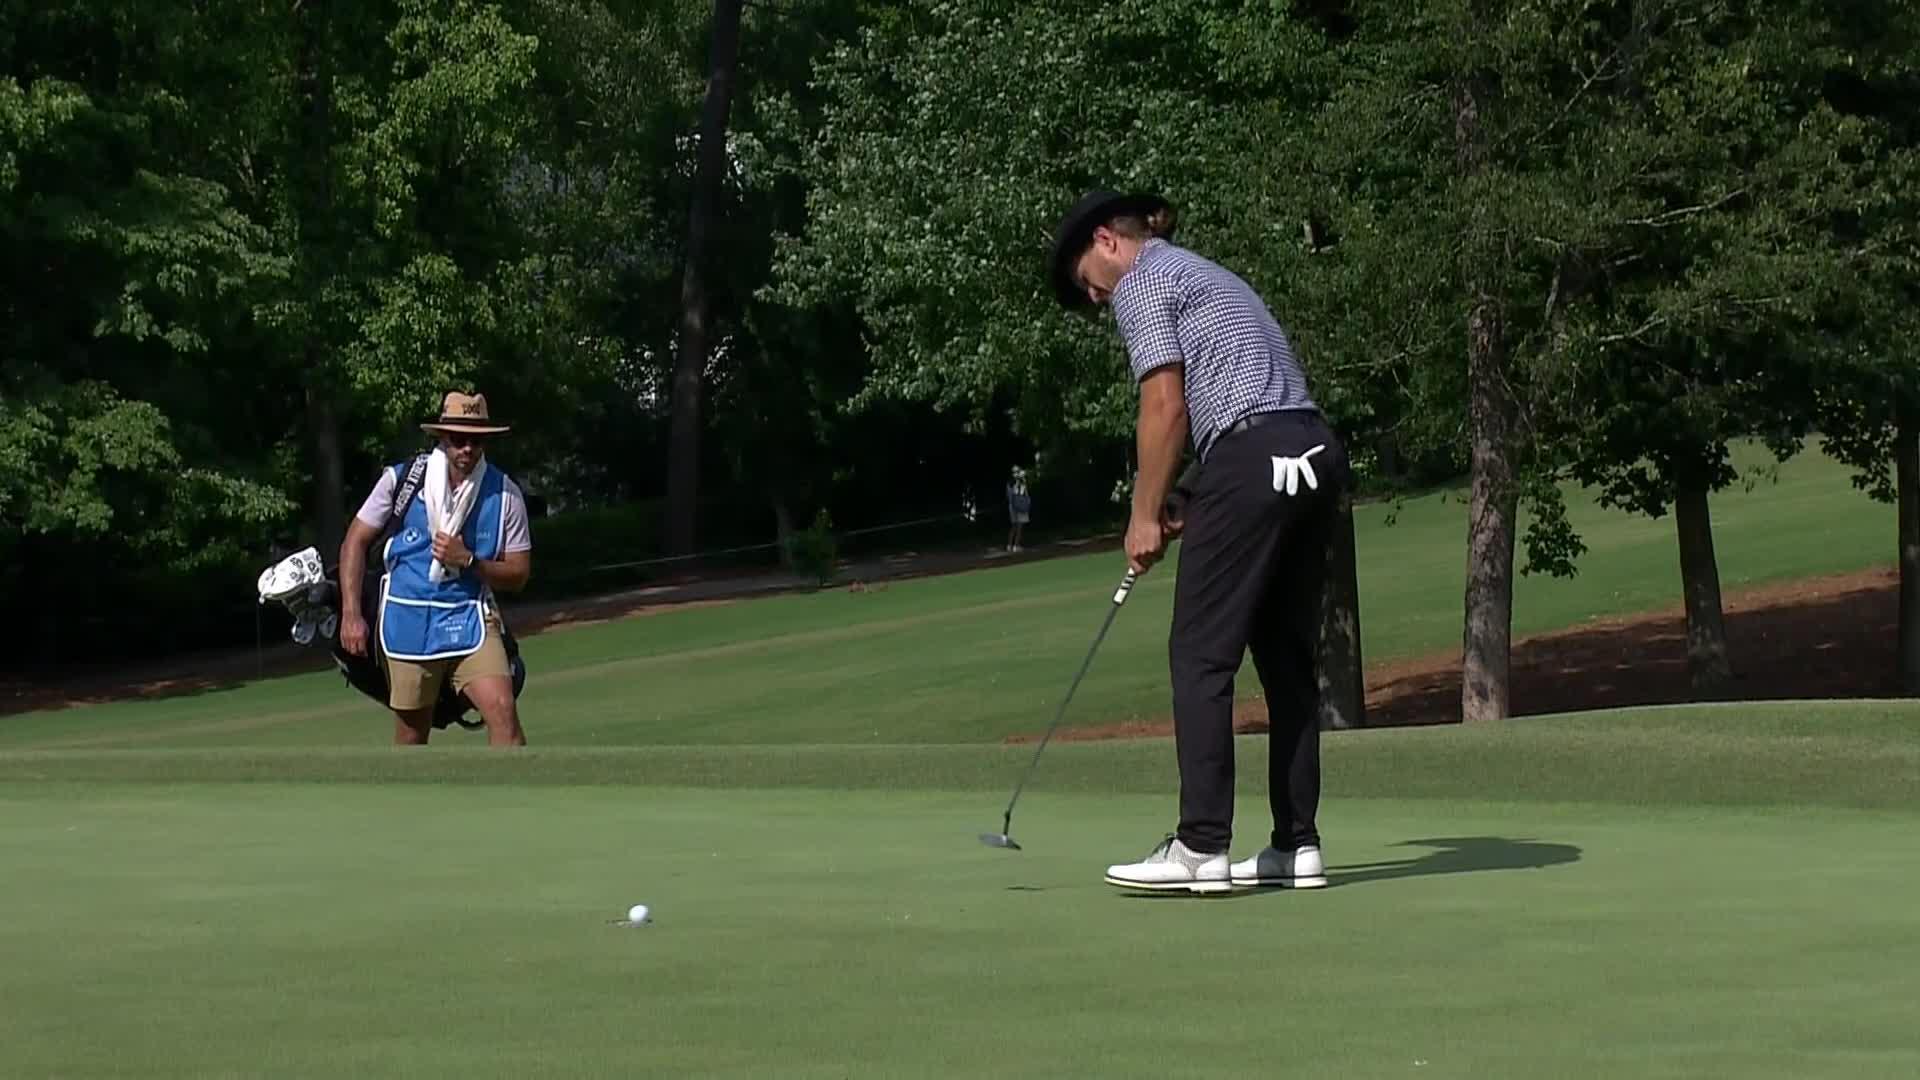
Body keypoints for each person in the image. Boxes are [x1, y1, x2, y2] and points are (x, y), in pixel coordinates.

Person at [1047, 190, 1349, 894]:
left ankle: (1201, 846)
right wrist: (1190, 491)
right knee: (1285, 658)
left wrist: (1144, 514)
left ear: (1107, 241)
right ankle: (1296, 844)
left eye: (1087, 281)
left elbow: (1165, 405)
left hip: (1252, 459)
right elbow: (1251, 403)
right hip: (1313, 452)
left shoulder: (1143, 280)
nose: (1094, 299)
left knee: (1201, 655)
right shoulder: (1207, 272)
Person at [337, 390, 534, 747]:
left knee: (503, 712)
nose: (467, 448)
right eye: (458, 439)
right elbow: (355, 541)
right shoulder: (402, 479)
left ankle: (513, 786)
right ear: (442, 437)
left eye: (476, 440)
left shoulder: (506, 494)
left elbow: (519, 573)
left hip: (469, 617)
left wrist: (469, 561)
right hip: (406, 618)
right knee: (412, 736)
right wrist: (351, 614)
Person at [1006, 466, 1032, 552]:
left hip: (1014, 506)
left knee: (1014, 526)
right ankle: (1015, 546)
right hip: (1019, 505)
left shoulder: (1013, 482)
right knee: (1019, 527)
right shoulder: (1018, 482)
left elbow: (1010, 495)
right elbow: (1024, 494)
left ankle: (1010, 545)